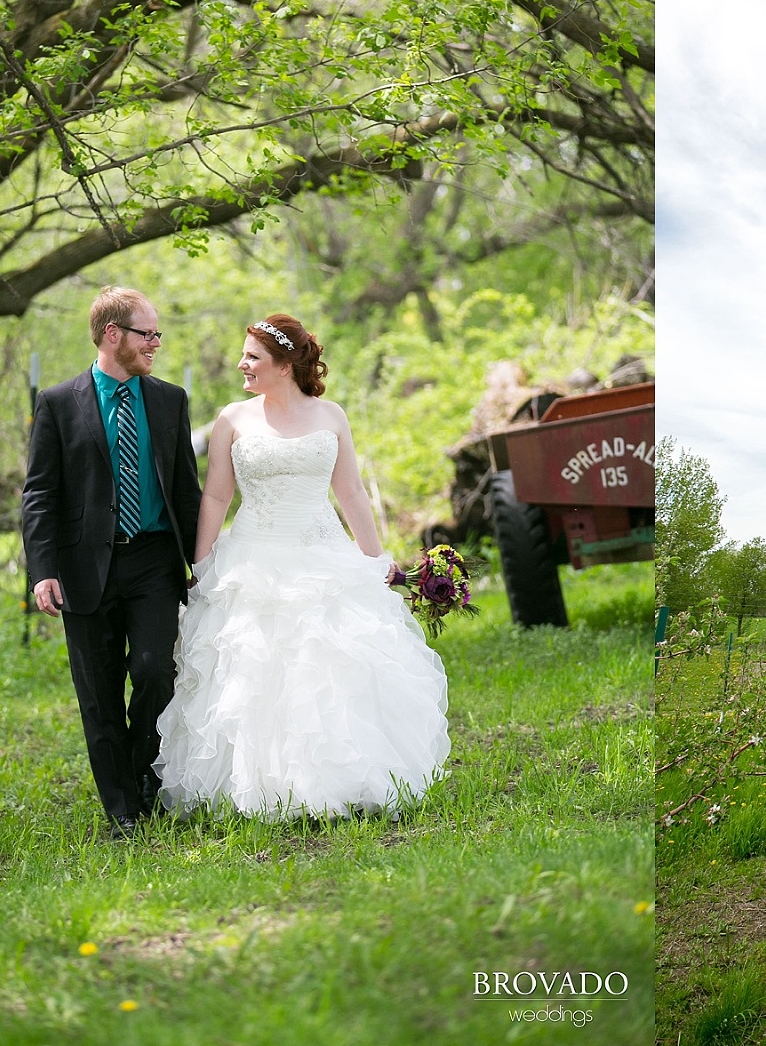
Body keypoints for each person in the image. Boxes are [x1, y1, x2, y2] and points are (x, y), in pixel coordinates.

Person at [153, 315, 450, 817]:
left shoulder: (330, 415)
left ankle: (344, 780)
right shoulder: (231, 419)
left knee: (330, 664)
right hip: (253, 556)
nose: (242, 364)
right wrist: (202, 564)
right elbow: (218, 495)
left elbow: (350, 491)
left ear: (286, 365)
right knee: (253, 669)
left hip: (321, 551)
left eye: (253, 357)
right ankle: (256, 788)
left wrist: (375, 558)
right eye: (244, 354)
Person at [22, 287, 202, 838]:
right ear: (111, 335)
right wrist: (42, 569)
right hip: (82, 568)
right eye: (147, 333)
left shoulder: (170, 400)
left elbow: (187, 491)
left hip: (153, 560)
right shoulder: (57, 402)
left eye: (158, 333)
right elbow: (40, 493)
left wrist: (204, 565)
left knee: (154, 671)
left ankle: (147, 777)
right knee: (97, 691)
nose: (156, 343)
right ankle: (121, 809)